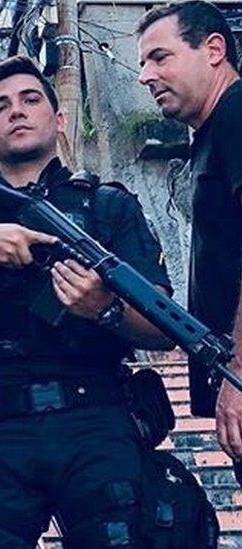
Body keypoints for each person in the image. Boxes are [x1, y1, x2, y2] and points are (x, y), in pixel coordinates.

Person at [0, 56, 186, 546]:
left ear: (59, 118)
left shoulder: (108, 205)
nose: (17, 112)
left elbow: (162, 325)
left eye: (31, 100)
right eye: (0, 107)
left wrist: (104, 307)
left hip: (93, 417)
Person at [136, 0, 242, 462]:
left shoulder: (237, 115)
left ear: (213, 49)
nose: (145, 76)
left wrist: (239, 371)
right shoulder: (213, 134)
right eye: (142, 63)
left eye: (160, 57)